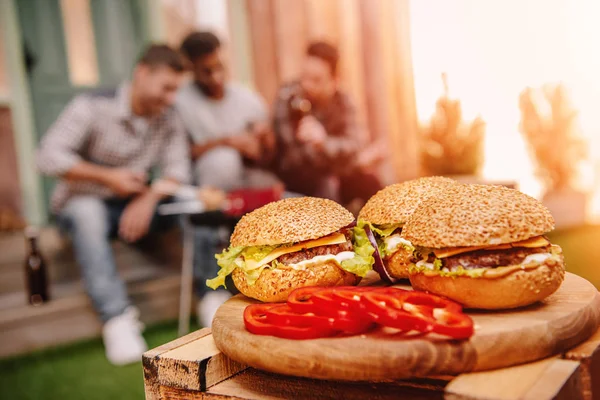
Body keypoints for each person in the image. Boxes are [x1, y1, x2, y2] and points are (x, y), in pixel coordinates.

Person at [36, 45, 195, 366]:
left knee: (190, 201)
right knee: (87, 212)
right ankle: (116, 318)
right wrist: (109, 178)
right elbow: (47, 156)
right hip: (82, 205)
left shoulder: (169, 116)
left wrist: (148, 198)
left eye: (176, 90)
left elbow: (178, 170)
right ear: (141, 73)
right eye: (166, 88)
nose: (170, 98)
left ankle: (210, 294)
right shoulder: (91, 107)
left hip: (133, 205)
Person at [176, 32, 279, 327]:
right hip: (208, 187)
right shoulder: (182, 103)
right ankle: (212, 288)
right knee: (221, 161)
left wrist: (263, 139)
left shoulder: (246, 97)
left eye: (219, 67)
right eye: (206, 71)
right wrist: (227, 141)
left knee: (283, 193)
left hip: (248, 182)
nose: (216, 76)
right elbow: (180, 152)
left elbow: (267, 155)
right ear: (192, 69)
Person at [272, 41, 384, 206]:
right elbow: (295, 157)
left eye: (316, 80)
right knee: (327, 183)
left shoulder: (344, 101)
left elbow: (355, 144)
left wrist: (324, 142)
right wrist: (353, 161)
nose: (307, 85)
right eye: (304, 77)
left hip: (337, 173)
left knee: (370, 182)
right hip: (298, 178)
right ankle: (334, 229)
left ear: (334, 80)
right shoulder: (287, 97)